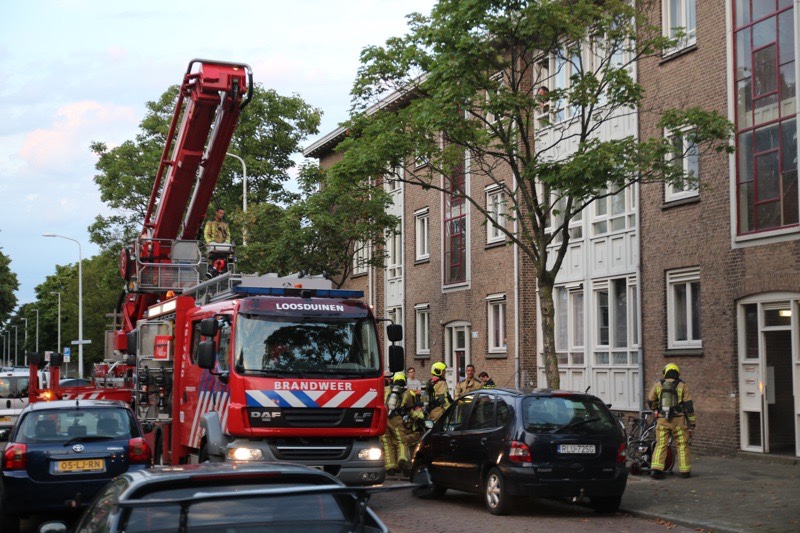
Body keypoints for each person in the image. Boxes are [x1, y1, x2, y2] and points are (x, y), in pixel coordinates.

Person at [647, 363, 696, 479]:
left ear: (665, 372)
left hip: (662, 420)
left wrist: (656, 409)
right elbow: (689, 406)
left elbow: (650, 400)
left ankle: (656, 469)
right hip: (679, 421)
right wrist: (692, 422)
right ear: (677, 373)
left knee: (661, 444)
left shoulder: (658, 384)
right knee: (682, 444)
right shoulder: (682, 386)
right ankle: (685, 471)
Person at [382, 372, 420, 477]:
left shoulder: (385, 389)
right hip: (396, 419)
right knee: (401, 441)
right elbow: (409, 410)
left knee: (387, 443)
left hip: (383, 419)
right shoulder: (407, 393)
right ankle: (402, 459)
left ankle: (390, 467)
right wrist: (418, 417)